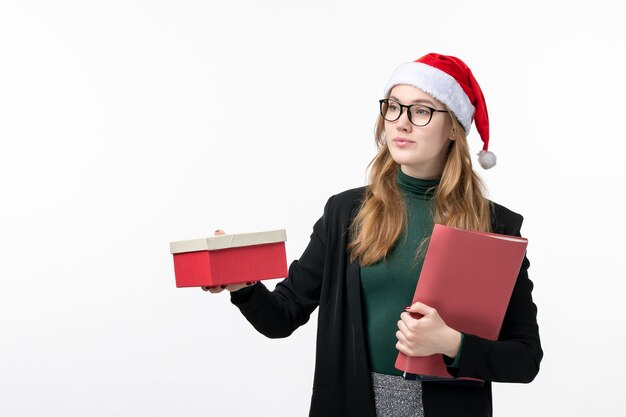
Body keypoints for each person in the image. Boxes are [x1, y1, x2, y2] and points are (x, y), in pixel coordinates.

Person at [204, 53, 543, 417]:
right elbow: (282, 316)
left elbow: (525, 359)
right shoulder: (346, 213)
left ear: (453, 129)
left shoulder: (495, 226)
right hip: (354, 403)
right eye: (393, 108)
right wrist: (242, 285)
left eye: (422, 111)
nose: (402, 123)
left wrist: (451, 343)